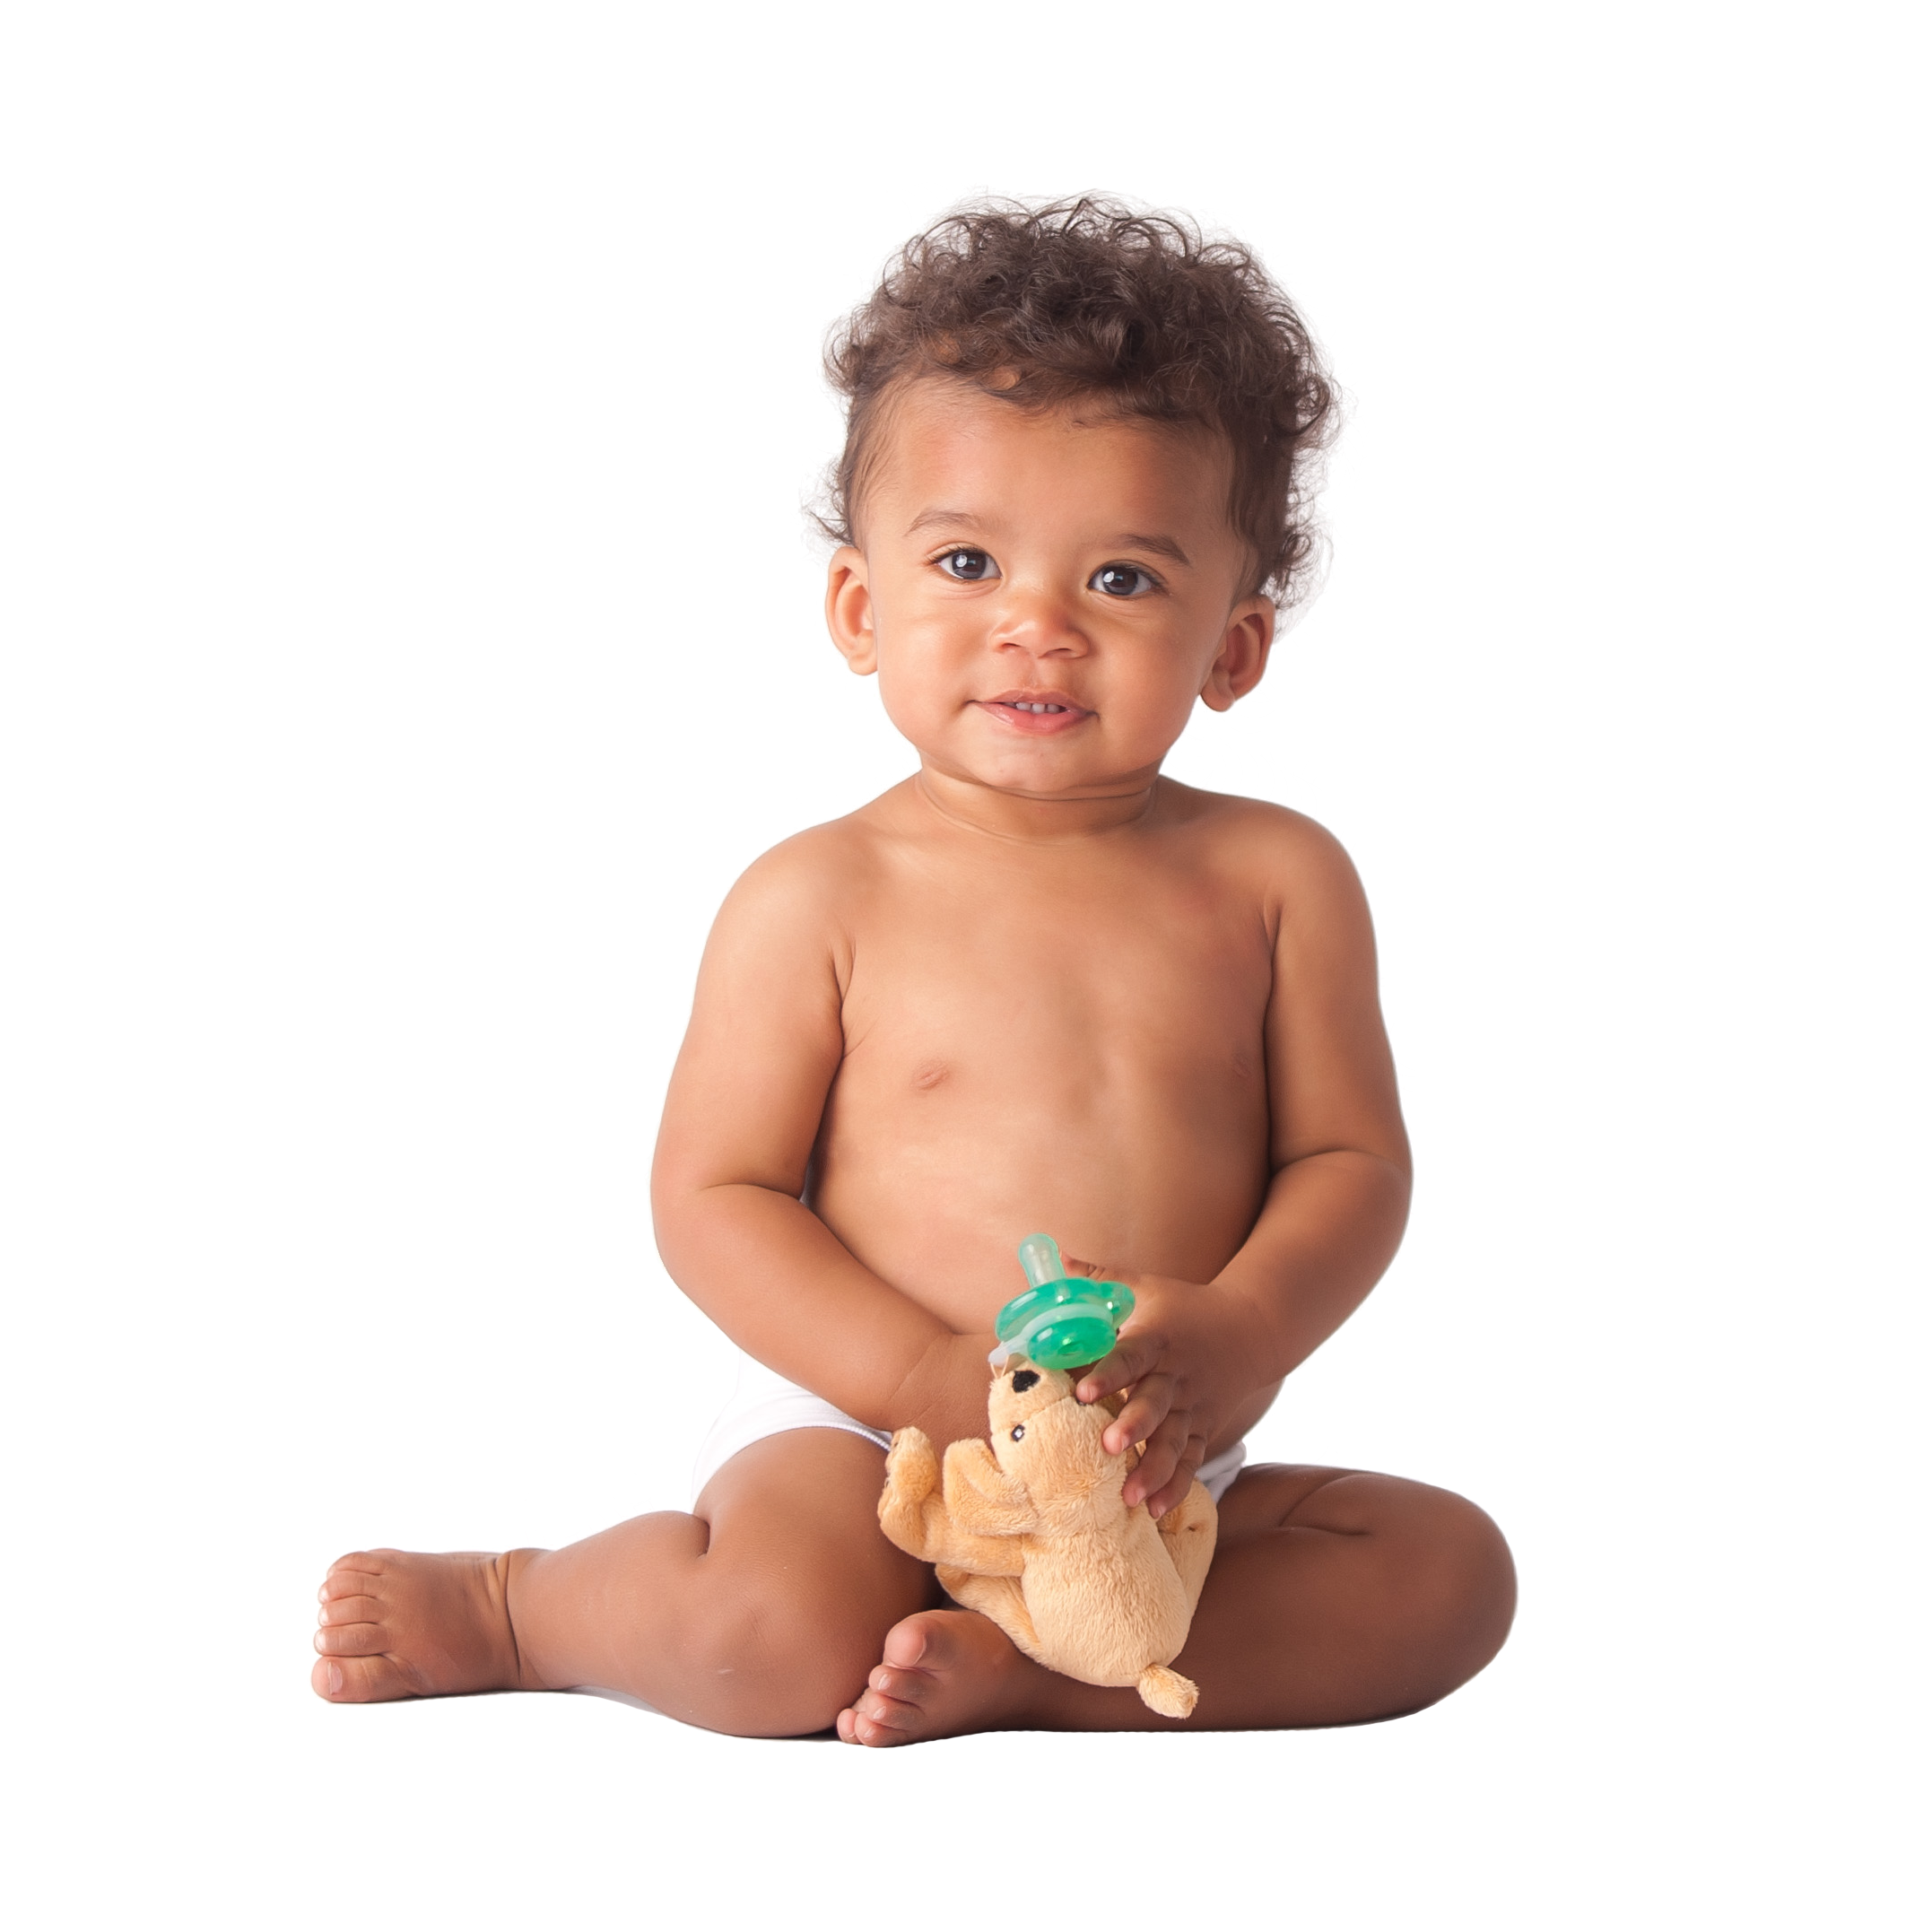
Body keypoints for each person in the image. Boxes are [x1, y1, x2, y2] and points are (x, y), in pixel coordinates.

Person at [311, 199, 1516, 1744]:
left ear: (1233, 645)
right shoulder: (819, 893)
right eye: (966, 561)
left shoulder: (1277, 879)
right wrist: (919, 1372)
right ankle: (522, 1607)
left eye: (1123, 580)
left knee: (1448, 1575)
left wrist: (1244, 1332)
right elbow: (714, 1195)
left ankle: (1037, 1670)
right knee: (768, 1639)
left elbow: (1349, 1160)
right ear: (862, 609)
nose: (1035, 626)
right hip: (866, 1430)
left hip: (1151, 1447)